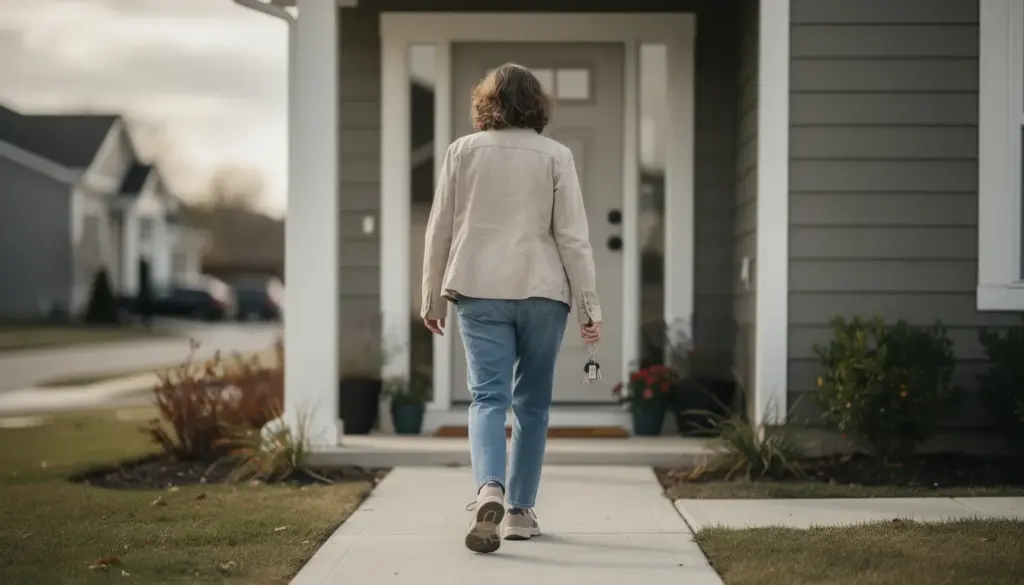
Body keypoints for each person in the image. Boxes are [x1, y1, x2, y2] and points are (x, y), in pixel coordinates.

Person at [420, 63, 602, 554]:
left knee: (488, 398)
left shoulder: (462, 151)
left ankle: (489, 489)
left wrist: (431, 297)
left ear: (486, 104)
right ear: (536, 105)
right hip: (544, 293)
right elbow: (574, 238)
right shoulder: (556, 155)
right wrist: (589, 306)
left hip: (479, 291)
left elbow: (440, 228)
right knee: (533, 405)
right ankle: (520, 513)